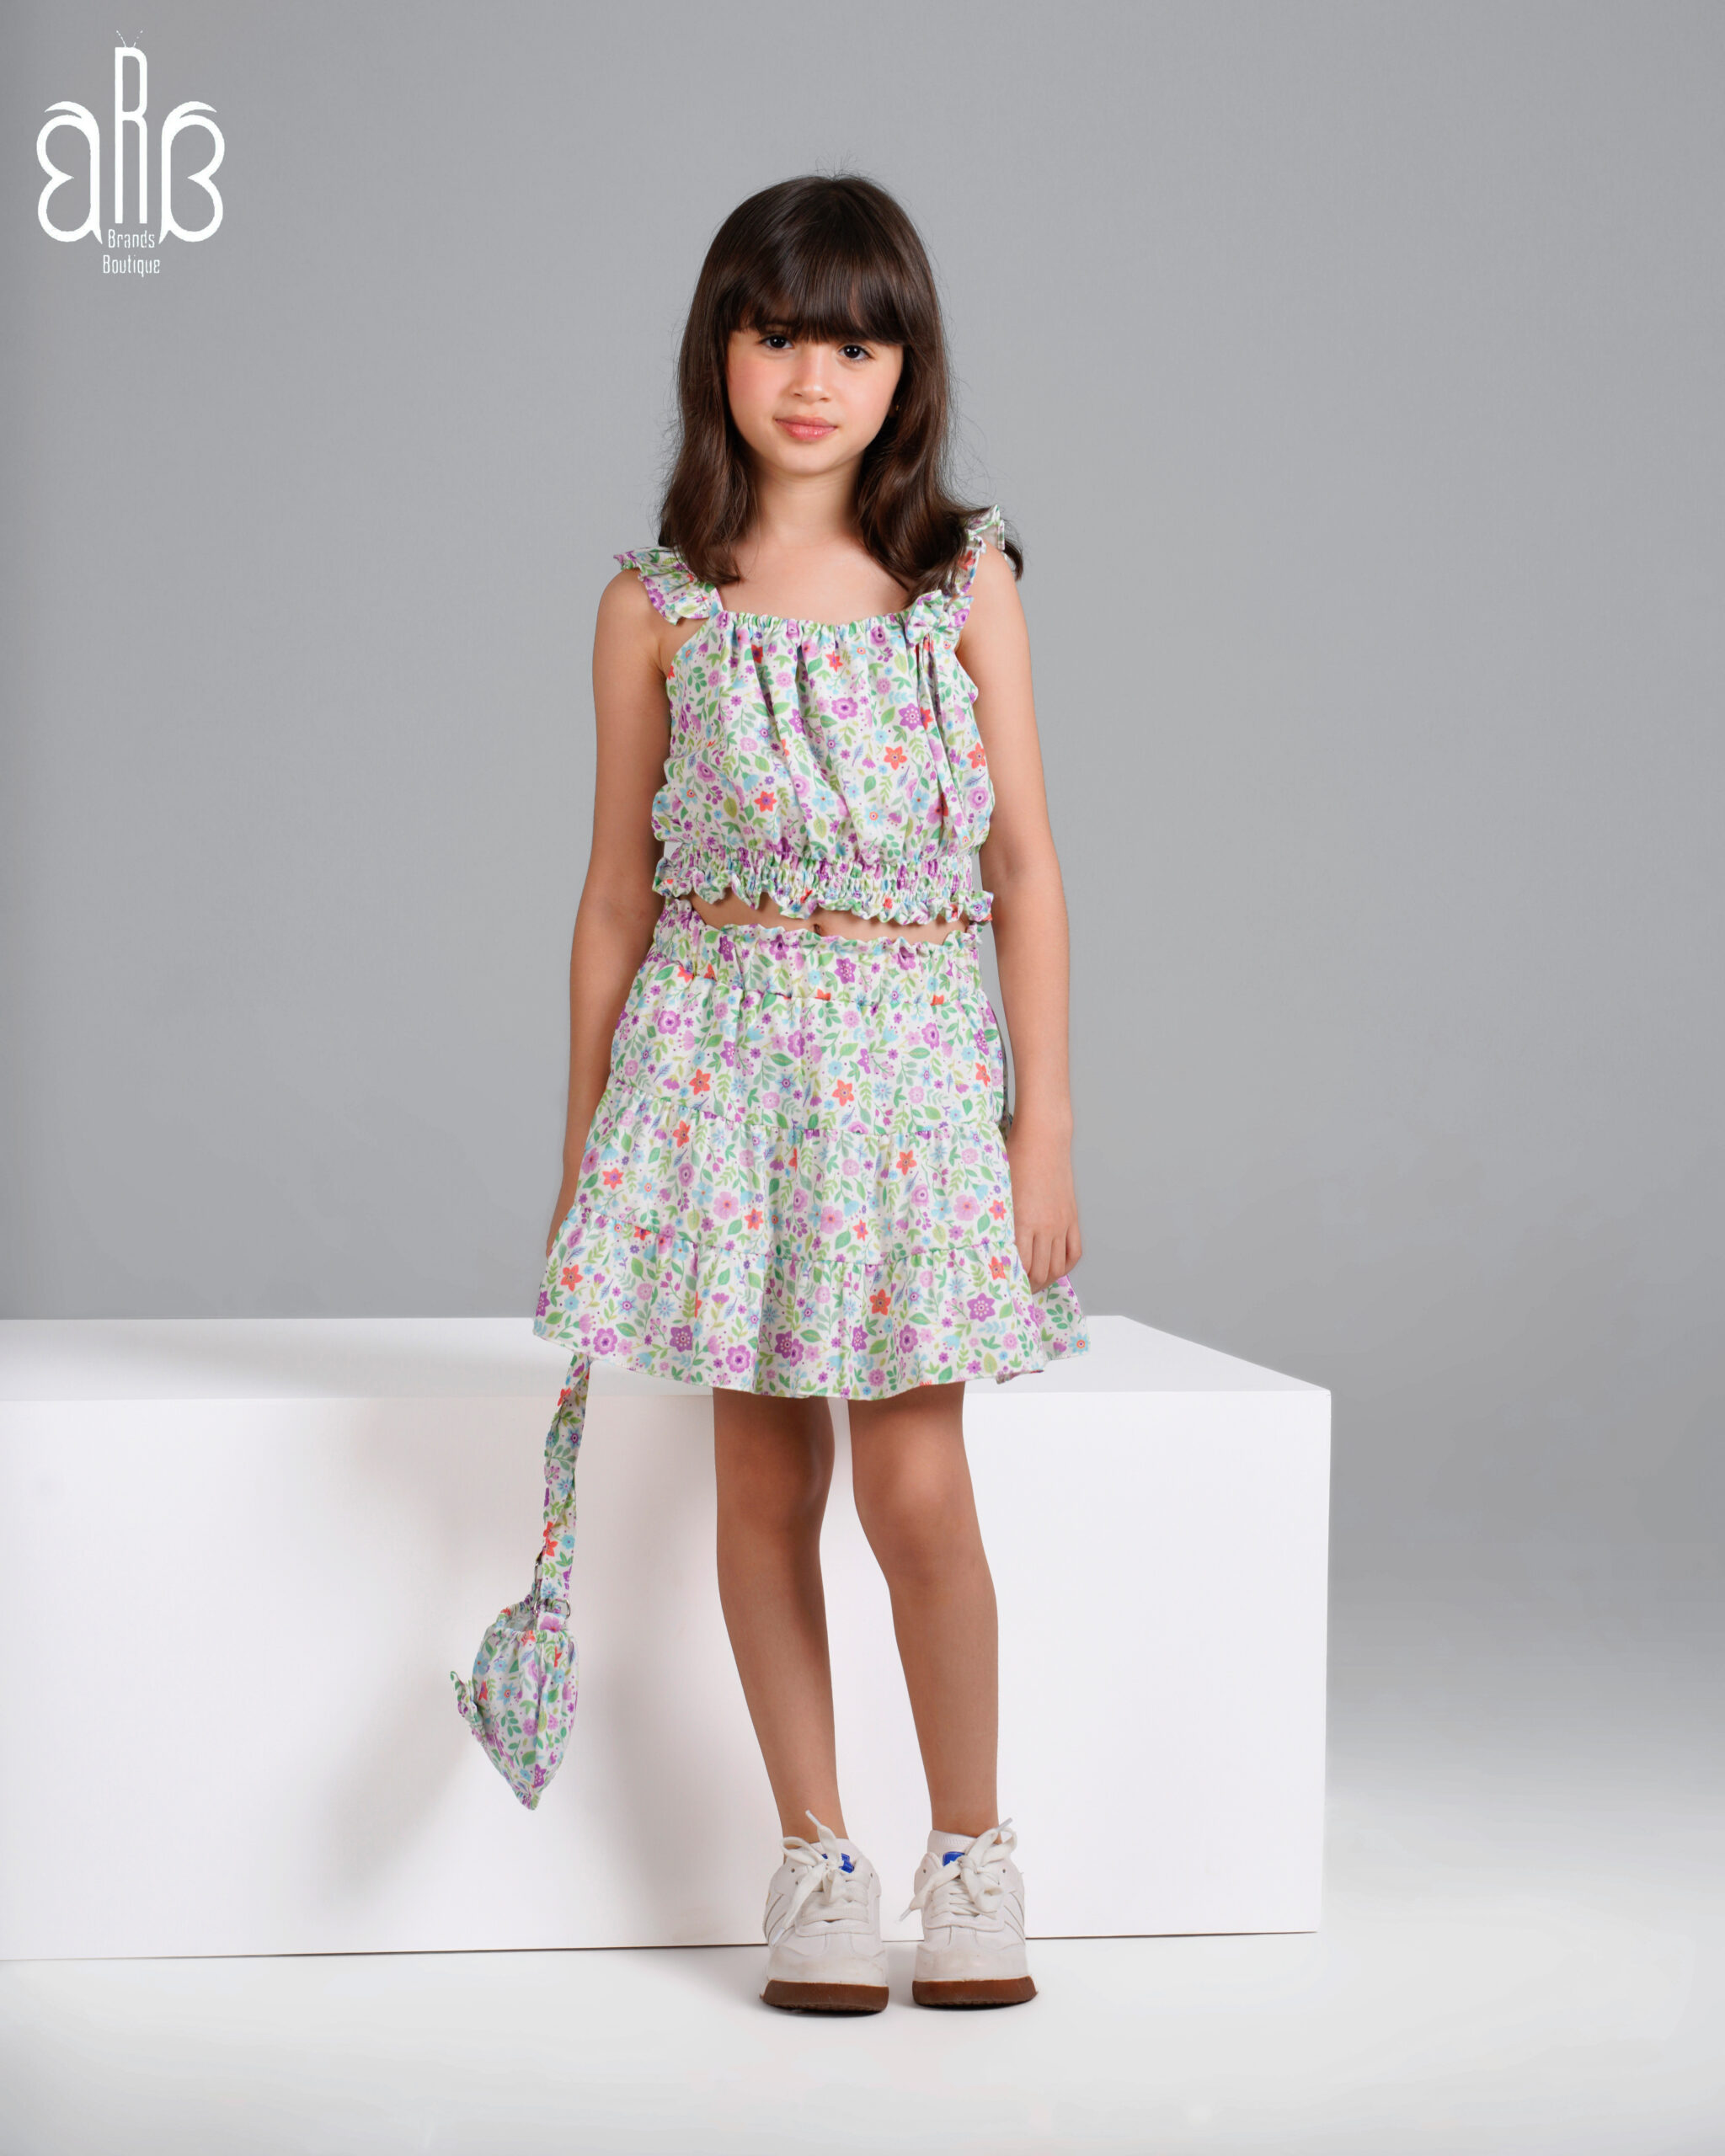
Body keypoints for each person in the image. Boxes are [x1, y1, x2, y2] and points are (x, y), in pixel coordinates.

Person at [465, 172, 1088, 2014]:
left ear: (907, 369)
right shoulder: (654, 608)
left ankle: (969, 1850)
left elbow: (1025, 866)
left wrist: (1044, 1121)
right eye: (776, 335)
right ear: (716, 353)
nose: (813, 380)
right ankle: (814, 1855)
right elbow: (612, 899)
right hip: (720, 1075)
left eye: (856, 345)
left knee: (915, 1482)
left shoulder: (964, 582)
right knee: (763, 1476)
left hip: (910, 1074)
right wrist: (587, 1157)